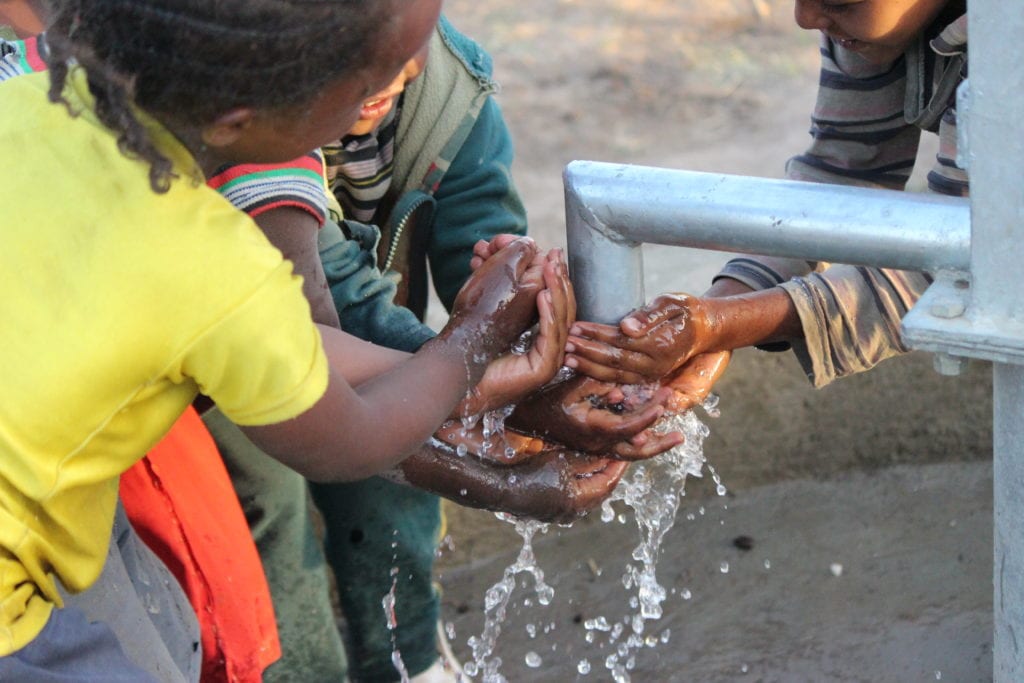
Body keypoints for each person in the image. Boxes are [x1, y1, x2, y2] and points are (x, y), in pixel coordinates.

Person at [0, 0, 571, 678]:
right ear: (243, 117)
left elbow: (295, 350)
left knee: (166, 629)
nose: (416, 70)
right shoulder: (212, 262)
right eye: (375, 77)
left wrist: (460, 375)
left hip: (37, 501)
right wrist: (471, 343)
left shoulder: (32, 100)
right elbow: (349, 438)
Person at [201, 15, 680, 681]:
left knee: (397, 488)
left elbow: (476, 256)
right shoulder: (252, 119)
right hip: (229, 371)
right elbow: (325, 320)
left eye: (411, 43)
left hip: (339, 344)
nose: (394, 74)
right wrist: (500, 428)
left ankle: (407, 658)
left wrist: (521, 305)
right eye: (365, 47)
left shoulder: (450, 98)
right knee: (266, 519)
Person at [559, 0, 968, 404]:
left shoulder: (1008, 54)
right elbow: (843, 180)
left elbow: (969, 259)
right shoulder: (867, 27)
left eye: (839, 2)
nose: (805, 18)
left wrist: (719, 326)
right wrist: (711, 321)